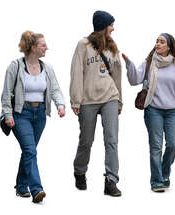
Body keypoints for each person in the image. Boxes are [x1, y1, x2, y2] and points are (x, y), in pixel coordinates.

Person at [122, 33, 175, 192]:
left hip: (172, 112)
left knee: (174, 145)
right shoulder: (149, 62)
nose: (158, 44)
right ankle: (156, 181)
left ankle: (164, 172)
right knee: (155, 147)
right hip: (153, 110)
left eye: (161, 42)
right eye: (156, 41)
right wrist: (129, 64)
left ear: (169, 46)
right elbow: (135, 79)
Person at [1, 30, 66, 203]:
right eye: (44, 45)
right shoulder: (15, 66)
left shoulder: (47, 68)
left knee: (29, 151)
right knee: (30, 150)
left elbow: (56, 89)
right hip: (21, 114)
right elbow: (6, 93)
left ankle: (21, 186)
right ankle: (36, 189)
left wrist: (60, 105)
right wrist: (8, 114)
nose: (47, 48)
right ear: (33, 47)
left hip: (40, 115)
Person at [70, 10, 122, 197]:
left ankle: (111, 180)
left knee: (112, 140)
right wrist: (76, 100)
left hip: (110, 97)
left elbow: (117, 76)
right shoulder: (83, 45)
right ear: (102, 26)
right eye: (111, 25)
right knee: (86, 140)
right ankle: (80, 171)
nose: (113, 28)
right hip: (88, 99)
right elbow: (76, 72)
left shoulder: (112, 47)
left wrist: (119, 101)